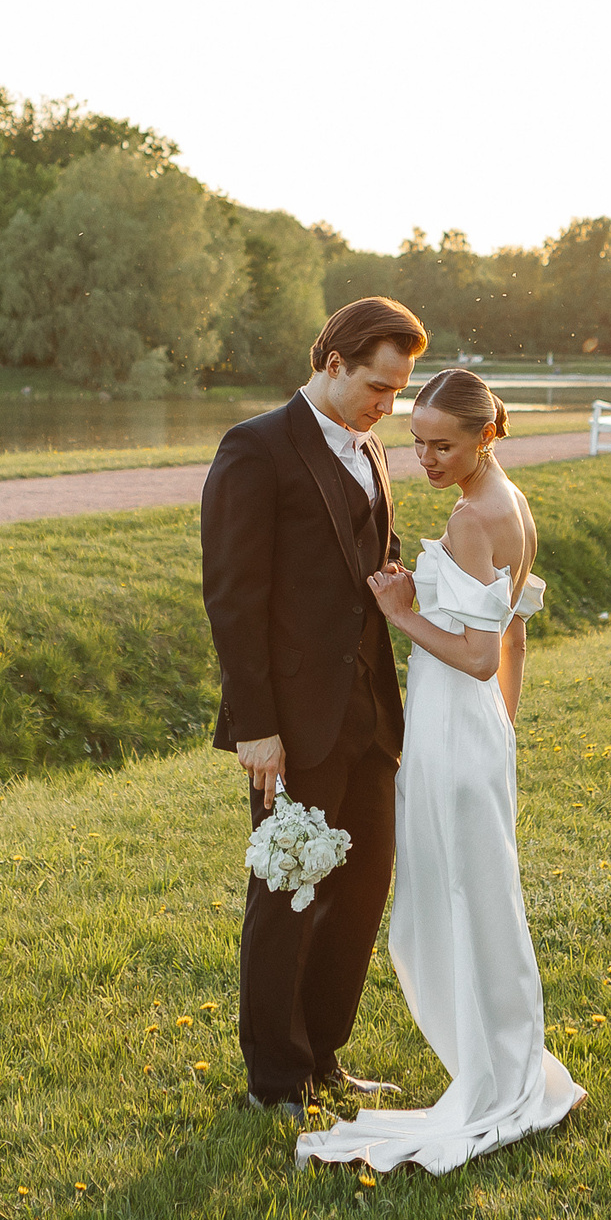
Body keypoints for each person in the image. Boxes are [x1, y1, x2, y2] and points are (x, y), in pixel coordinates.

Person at [295, 367, 585, 1174]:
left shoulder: (469, 521)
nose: (422, 456)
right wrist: (503, 723)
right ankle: (506, 1060)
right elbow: (516, 635)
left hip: (453, 733)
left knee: (452, 897)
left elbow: (476, 651)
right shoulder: (512, 502)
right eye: (415, 441)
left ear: (484, 435)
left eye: (441, 444)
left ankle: (495, 1074)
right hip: (477, 732)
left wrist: (400, 613)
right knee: (483, 894)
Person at [202, 296, 429, 1112]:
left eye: (399, 391)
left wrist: (402, 584)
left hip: (370, 716)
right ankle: (273, 1080)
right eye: (378, 386)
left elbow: (371, 554)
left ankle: (322, 1053)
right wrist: (256, 728)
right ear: (333, 363)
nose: (388, 406)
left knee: (362, 886)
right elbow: (232, 598)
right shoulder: (254, 449)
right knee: (288, 892)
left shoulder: (372, 449)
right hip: (291, 724)